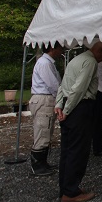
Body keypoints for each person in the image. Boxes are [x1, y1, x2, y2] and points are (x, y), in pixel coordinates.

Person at [54, 41, 102, 202]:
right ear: (99, 50)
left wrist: (60, 104)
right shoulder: (91, 61)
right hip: (79, 107)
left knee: (67, 149)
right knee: (78, 150)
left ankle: (66, 187)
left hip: (69, 104)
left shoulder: (76, 59)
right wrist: (67, 110)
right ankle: (71, 192)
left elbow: (63, 84)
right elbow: (79, 89)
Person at [28, 41, 65, 176]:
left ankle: (43, 163)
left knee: (47, 130)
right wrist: (62, 97)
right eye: (60, 47)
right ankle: (37, 166)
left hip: (46, 98)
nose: (62, 50)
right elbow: (53, 84)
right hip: (44, 99)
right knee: (42, 131)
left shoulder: (48, 62)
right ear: (52, 48)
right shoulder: (44, 63)